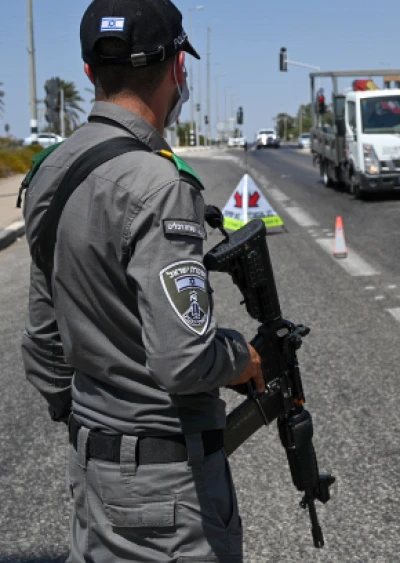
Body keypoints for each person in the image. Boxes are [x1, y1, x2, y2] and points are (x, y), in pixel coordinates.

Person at [19, 0, 264, 559]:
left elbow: (42, 341)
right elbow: (183, 362)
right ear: (179, 69)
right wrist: (244, 358)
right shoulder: (160, 184)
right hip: (168, 495)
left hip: (93, 476)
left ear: (89, 72)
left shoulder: (49, 171)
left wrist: (95, 435)